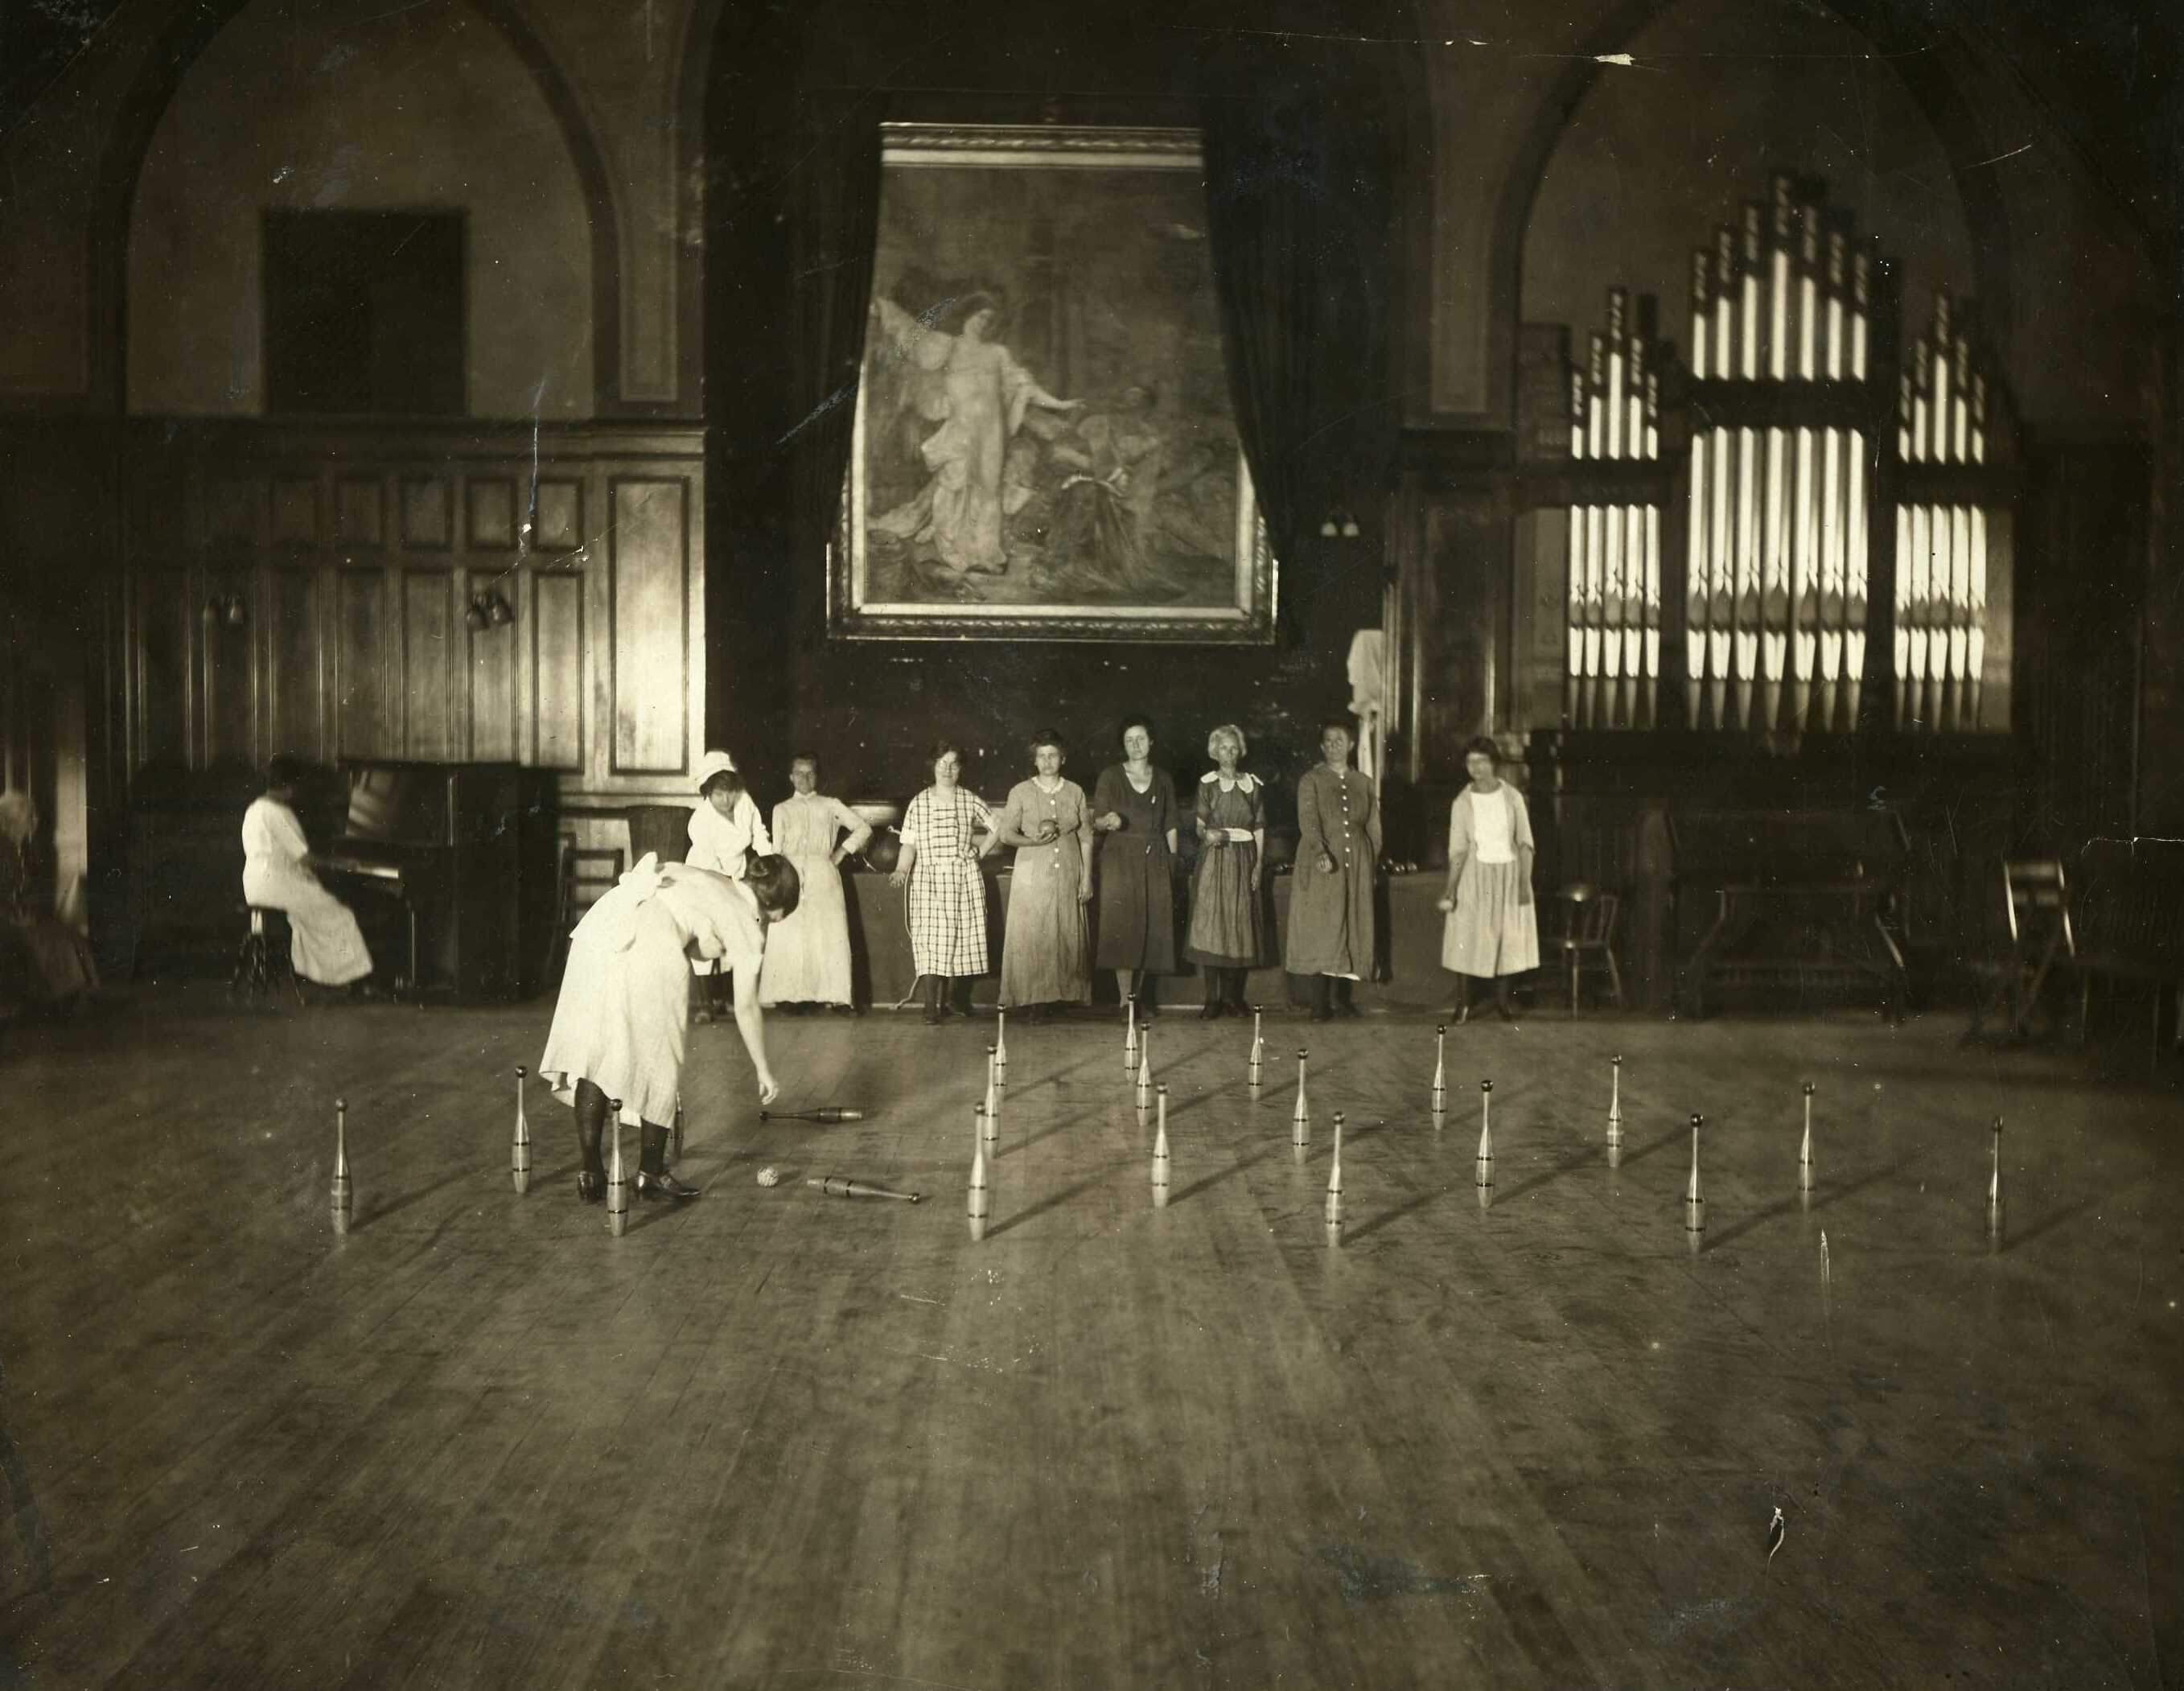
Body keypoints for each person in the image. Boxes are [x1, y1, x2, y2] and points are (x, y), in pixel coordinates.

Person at [539, 852, 799, 1204]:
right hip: (648, 944)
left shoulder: (716, 879)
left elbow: (696, 937)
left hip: (602, 927)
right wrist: (763, 1069)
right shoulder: (746, 920)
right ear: (777, 909)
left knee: (593, 1050)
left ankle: (590, 1171)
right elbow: (746, 1005)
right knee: (662, 1055)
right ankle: (650, 1172)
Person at [867, 291, 1083, 578]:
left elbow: (1025, 387)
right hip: (962, 427)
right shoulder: (948, 346)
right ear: (967, 315)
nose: (984, 323)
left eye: (990, 320)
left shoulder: (998, 353)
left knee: (988, 488)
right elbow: (912, 338)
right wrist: (885, 309)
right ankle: (952, 549)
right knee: (954, 483)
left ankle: (984, 551)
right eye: (980, 316)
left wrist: (1061, 404)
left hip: (991, 432)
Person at [241, 755, 374, 991]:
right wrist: (344, 864)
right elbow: (304, 857)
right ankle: (351, 980)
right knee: (340, 915)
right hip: (277, 884)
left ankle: (314, 972)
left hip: (254, 884)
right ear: (291, 786)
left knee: (309, 917)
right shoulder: (278, 812)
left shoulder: (255, 808)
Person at [890, 741, 998, 1024]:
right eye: (942, 764)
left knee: (961, 939)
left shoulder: (970, 799)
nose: (947, 769)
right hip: (929, 879)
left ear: (960, 768)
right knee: (930, 941)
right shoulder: (919, 802)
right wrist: (902, 869)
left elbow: (998, 827)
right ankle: (930, 1005)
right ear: (933, 767)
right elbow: (909, 844)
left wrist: (980, 851)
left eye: (953, 764)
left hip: (963, 878)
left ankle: (953, 1000)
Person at [994, 730, 1095, 1022]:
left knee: (1064, 930)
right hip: (1031, 871)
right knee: (1033, 933)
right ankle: (1032, 1000)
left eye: (1053, 756)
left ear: (1062, 759)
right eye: (1041, 756)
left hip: (1069, 869)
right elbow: (1006, 834)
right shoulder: (1020, 791)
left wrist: (1086, 877)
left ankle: (1060, 997)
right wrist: (1032, 842)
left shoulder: (1075, 791)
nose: (1047, 761)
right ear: (1034, 760)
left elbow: (1086, 837)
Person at [1437, 736, 1539, 1020]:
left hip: (1509, 876)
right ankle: (1464, 1004)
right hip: (1474, 877)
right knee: (1466, 938)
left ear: (1494, 763)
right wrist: (1451, 890)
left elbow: (1525, 843)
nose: (1476, 768)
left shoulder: (1513, 797)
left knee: (1508, 940)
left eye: (1482, 761)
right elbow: (1457, 850)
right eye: (1471, 762)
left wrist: (1522, 884)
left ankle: (1503, 1002)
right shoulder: (1462, 802)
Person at [1285, 718, 1380, 1022]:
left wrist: (1372, 861)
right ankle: (1319, 1002)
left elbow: (1373, 825)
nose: (1334, 745)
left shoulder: (1364, 782)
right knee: (1322, 926)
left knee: (1351, 922)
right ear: (1322, 746)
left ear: (1351, 745)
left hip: (1357, 862)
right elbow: (1308, 819)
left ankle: (1341, 1000)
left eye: (1340, 740)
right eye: (1328, 740)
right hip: (1323, 861)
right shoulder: (1311, 780)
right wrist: (1320, 851)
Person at [759, 755, 870, 1014]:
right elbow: (777, 849)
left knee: (829, 934)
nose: (805, 779)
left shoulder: (830, 805)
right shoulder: (782, 809)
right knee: (791, 934)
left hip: (824, 872)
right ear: (791, 777)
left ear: (817, 777)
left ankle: (837, 997)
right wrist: (779, 881)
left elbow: (863, 828)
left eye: (810, 773)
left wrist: (842, 852)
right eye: (799, 773)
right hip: (790, 873)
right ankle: (789, 997)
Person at [1090, 715, 1179, 1018]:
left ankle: (1140, 996)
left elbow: (1171, 823)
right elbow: (1097, 820)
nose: (1136, 745)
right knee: (1122, 927)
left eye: (1141, 738)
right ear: (1123, 745)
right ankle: (1125, 999)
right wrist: (1108, 821)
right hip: (1119, 857)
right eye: (1129, 740)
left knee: (1152, 926)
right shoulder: (1110, 776)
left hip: (1155, 856)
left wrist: (1172, 859)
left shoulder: (1164, 778)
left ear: (1151, 741)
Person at [1186, 723, 1265, 1019]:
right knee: (1212, 925)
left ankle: (1233, 999)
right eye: (1223, 749)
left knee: (1239, 924)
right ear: (1214, 752)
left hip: (1245, 858)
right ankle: (1211, 1000)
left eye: (1233, 748)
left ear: (1240, 751)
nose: (1228, 754)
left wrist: (1258, 864)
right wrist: (1207, 834)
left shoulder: (1253, 784)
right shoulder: (1207, 784)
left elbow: (1259, 827)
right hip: (1215, 858)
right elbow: (1199, 825)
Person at [686, 750, 773, 1020]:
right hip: (706, 876)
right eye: (719, 794)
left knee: (737, 933)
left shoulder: (745, 801)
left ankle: (725, 997)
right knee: (706, 933)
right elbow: (711, 863)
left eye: (730, 792)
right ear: (707, 793)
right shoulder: (700, 821)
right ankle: (704, 1003)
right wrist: (733, 885)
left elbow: (759, 832)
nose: (726, 800)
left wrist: (769, 861)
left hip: (738, 873)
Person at [0, 788, 98, 1014]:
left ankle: (74, 994)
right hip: (7, 914)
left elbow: (28, 885)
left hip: (21, 910)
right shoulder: (4, 847)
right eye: (28, 818)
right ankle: (64, 997)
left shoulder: (22, 846)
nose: (34, 822)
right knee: (49, 938)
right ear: (10, 822)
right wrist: (15, 911)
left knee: (67, 933)